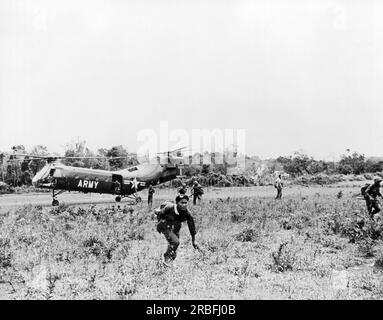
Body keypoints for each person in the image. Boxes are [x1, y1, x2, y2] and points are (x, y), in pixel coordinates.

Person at [154, 195, 199, 264]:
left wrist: (194, 240)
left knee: (174, 247)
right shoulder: (170, 207)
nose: (184, 205)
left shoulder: (187, 213)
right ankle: (166, 259)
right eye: (182, 203)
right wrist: (159, 224)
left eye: (185, 203)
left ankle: (169, 258)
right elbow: (160, 214)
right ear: (177, 203)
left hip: (176, 226)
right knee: (175, 242)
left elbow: (192, 227)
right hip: (165, 225)